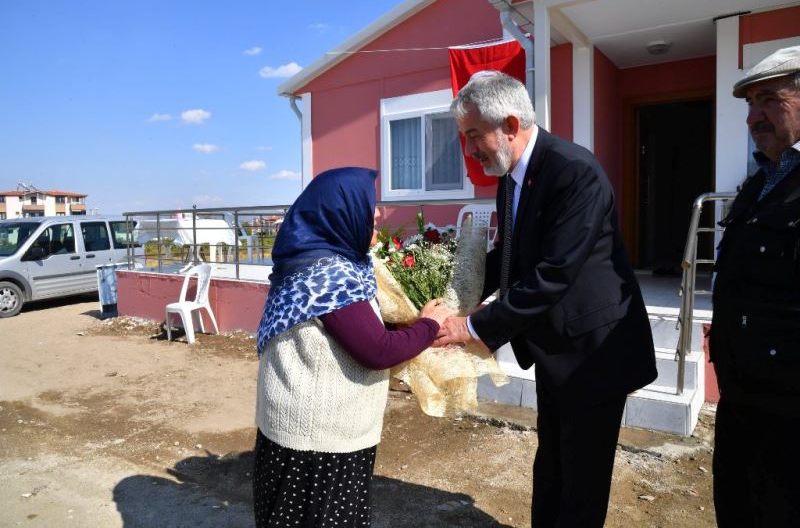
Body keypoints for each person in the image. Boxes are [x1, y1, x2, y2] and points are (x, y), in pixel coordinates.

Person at [434, 71, 657, 527]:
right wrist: (455, 299)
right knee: (552, 464)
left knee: (582, 481)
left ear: (510, 126)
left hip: (595, 351)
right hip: (556, 348)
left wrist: (472, 327)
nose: (469, 150)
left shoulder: (574, 171)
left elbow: (553, 274)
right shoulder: (512, 176)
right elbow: (511, 255)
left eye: (474, 136)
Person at [252, 167, 453, 527]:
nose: (376, 215)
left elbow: (355, 328)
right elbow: (376, 350)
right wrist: (429, 326)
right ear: (341, 212)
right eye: (369, 207)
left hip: (297, 432)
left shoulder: (312, 259)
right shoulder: (327, 276)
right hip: (318, 444)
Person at [710, 45, 800, 527]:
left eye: (769, 99)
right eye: (749, 104)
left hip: (790, 410)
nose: (754, 117)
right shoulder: (757, 184)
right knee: (737, 507)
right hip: (742, 396)